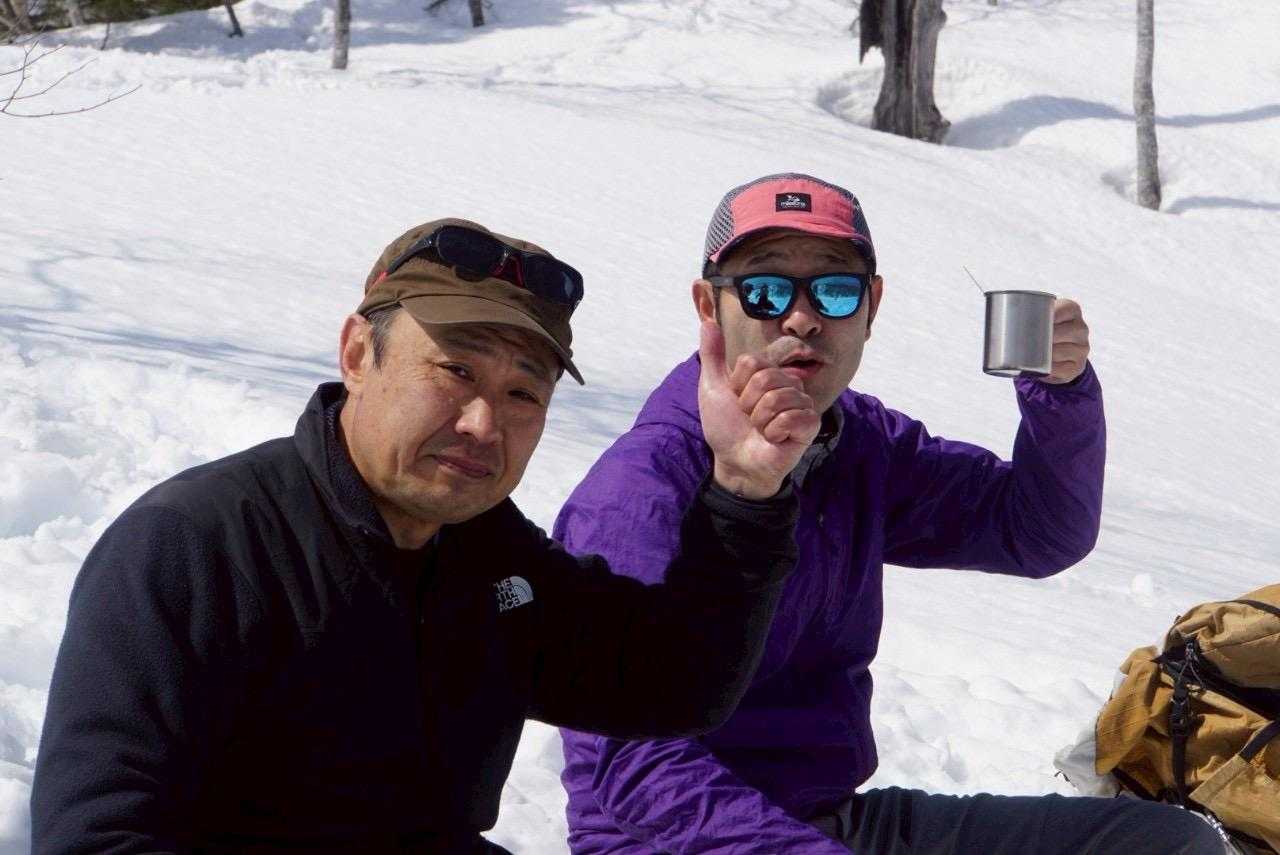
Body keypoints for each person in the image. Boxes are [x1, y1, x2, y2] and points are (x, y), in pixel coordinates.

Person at [30, 217, 824, 853]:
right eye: (456, 371)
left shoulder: (486, 556)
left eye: (523, 393)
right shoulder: (197, 546)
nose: (484, 422)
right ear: (357, 354)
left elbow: (673, 683)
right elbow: (97, 835)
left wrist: (745, 489)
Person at [556, 175, 1225, 853]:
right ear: (710, 306)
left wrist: (1062, 394)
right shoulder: (640, 490)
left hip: (833, 822)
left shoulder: (856, 443)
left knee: (1165, 845)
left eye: (834, 290)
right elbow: (632, 763)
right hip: (673, 844)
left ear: (871, 307)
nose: (801, 318)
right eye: (765, 290)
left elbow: (1036, 530)